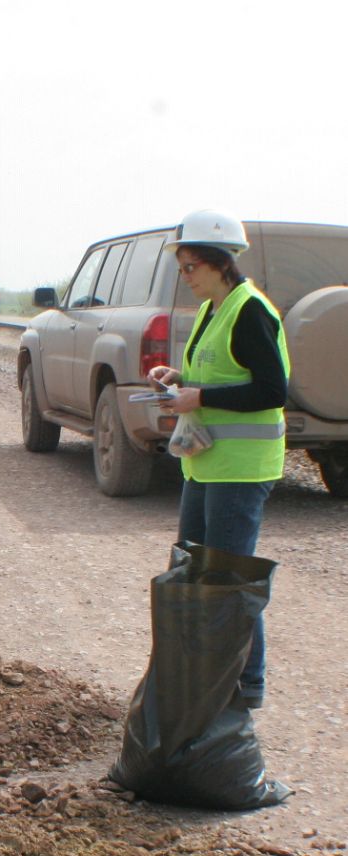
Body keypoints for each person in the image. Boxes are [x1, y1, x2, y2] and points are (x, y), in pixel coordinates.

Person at [150, 209, 290, 709]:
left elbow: (272, 390)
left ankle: (244, 690)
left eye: (190, 267)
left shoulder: (249, 310)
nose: (184, 277)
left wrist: (199, 398)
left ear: (219, 262)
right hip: (206, 465)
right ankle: (207, 680)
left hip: (241, 470)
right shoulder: (216, 307)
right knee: (195, 572)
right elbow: (219, 376)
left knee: (230, 584)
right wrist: (177, 380)